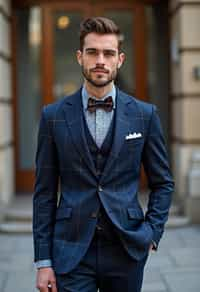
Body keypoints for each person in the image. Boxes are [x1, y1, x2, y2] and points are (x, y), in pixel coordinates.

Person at [33, 17, 174, 292]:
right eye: (92, 52)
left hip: (126, 248)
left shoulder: (145, 115)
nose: (100, 60)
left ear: (119, 59)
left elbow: (163, 182)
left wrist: (151, 234)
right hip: (70, 251)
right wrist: (43, 261)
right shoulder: (53, 116)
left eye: (108, 53)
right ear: (79, 57)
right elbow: (44, 193)